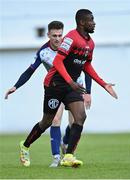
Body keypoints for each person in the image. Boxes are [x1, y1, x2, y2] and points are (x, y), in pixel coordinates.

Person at [17, 9, 118, 168]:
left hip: (72, 86)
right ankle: (25, 145)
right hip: (55, 85)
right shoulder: (71, 38)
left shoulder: (90, 43)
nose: (94, 23)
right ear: (82, 22)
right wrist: (71, 82)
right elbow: (57, 61)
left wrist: (103, 84)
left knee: (80, 117)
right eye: (91, 20)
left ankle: (68, 155)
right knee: (47, 122)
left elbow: (87, 65)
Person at [4, 21, 92, 167]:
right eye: (54, 36)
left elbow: (86, 67)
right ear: (48, 35)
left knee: (76, 121)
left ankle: (67, 150)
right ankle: (51, 155)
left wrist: (88, 92)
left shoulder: (71, 46)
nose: (58, 39)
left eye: (60, 35)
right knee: (52, 121)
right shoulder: (43, 52)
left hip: (74, 87)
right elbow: (29, 71)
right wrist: (16, 86)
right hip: (55, 89)